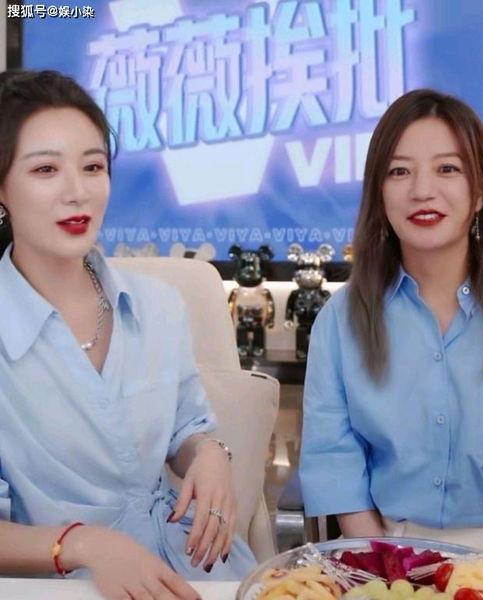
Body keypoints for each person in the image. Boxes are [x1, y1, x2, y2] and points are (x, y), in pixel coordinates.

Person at [0, 69, 256, 599]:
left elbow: (186, 429)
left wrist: (208, 453)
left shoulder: (159, 305)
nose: (78, 192)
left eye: (93, 166)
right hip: (61, 586)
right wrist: (82, 544)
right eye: (46, 169)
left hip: (194, 567)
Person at [299, 89, 483, 554]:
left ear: (480, 191)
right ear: (379, 192)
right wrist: (383, 563)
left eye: (447, 169)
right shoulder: (341, 321)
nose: (422, 190)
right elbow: (334, 459)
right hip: (387, 548)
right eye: (399, 171)